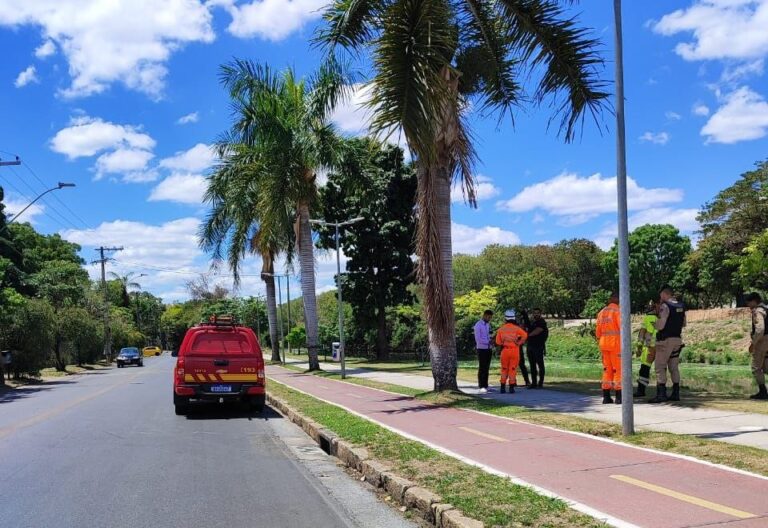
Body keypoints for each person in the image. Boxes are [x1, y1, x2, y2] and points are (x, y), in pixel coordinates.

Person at [649, 286, 685, 404]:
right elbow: (684, 323)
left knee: (660, 366)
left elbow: (661, 325)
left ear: (665, 294)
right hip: (677, 340)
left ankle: (661, 394)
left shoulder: (665, 306)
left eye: (661, 295)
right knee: (674, 367)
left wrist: (654, 323)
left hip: (665, 341)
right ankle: (675, 393)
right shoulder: (681, 306)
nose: (660, 298)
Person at [596, 292, 621, 404]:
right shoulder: (618, 311)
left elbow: (597, 332)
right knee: (618, 369)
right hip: (615, 344)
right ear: (617, 299)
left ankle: (606, 396)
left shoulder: (601, 312)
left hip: (603, 344)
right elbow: (622, 328)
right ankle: (619, 396)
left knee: (607, 369)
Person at [495, 309, 528, 394]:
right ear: (514, 318)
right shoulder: (517, 329)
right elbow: (525, 335)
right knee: (512, 369)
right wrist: (519, 342)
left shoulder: (501, 329)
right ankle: (511, 387)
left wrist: (500, 348)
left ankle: (502, 387)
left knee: (504, 369)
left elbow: (498, 342)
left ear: (505, 319)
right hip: (515, 351)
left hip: (505, 351)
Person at [745, 293, 768, 400]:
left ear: (754, 301)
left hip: (762, 341)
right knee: (766, 366)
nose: (748, 305)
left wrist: (753, 343)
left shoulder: (758, 311)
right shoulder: (766, 308)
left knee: (756, 367)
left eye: (749, 302)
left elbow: (760, 329)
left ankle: (763, 392)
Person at [634, 301, 658, 398]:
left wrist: (639, 346)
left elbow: (643, 333)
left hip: (649, 347)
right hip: (661, 346)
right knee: (661, 370)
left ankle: (641, 390)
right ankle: (661, 392)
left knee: (644, 369)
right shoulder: (660, 318)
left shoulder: (647, 318)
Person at [526, 308, 549, 388]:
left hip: (538, 346)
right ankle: (534, 383)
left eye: (537, 313)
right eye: (534, 313)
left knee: (540, 365)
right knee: (532, 365)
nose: (536, 314)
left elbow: (538, 331)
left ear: (540, 313)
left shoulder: (542, 322)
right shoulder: (533, 322)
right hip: (530, 346)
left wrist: (527, 335)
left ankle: (540, 383)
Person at [474, 309, 494, 393]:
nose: (489, 319)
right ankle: (481, 385)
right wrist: (488, 342)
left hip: (488, 348)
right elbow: (478, 339)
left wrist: (491, 341)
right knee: (482, 367)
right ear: (484, 315)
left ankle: (485, 385)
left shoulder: (488, 325)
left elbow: (487, 335)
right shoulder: (478, 325)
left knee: (487, 367)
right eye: (488, 317)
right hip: (481, 348)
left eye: (490, 318)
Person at [517, 310, 533, 388]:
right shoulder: (518, 326)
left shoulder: (522, 326)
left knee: (521, 364)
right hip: (515, 346)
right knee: (518, 365)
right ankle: (525, 381)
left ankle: (527, 381)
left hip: (517, 346)